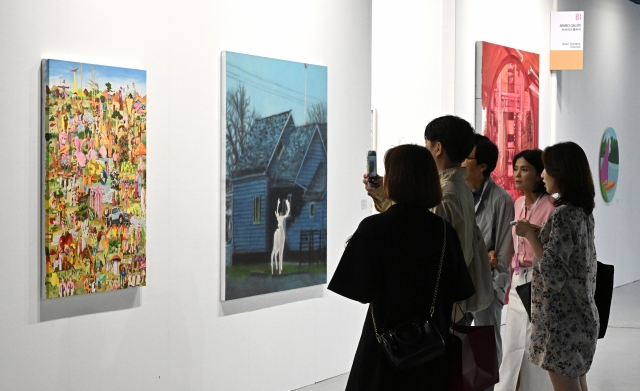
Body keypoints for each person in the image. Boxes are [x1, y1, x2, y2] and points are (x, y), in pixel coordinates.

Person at [330, 144, 475, 390]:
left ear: (392, 181)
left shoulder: (373, 228)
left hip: (383, 351)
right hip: (430, 352)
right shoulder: (443, 231)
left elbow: (358, 290)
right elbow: (460, 290)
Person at [365, 115, 493, 317]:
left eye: (426, 144)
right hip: (449, 300)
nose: (425, 150)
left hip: (433, 305)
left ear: (438, 148)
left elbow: (425, 250)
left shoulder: (443, 196)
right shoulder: (459, 188)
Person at [514, 142, 598, 391]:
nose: (542, 174)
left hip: (560, 322)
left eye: (546, 169)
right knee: (578, 381)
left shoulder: (562, 215)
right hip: (580, 313)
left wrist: (529, 234)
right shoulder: (581, 211)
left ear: (561, 172)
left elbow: (552, 272)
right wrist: (543, 235)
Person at [496, 150, 555, 391]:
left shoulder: (552, 207)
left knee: (535, 345)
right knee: (512, 346)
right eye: (516, 168)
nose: (517, 175)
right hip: (519, 279)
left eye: (525, 169)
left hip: (540, 280)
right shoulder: (517, 203)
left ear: (540, 174)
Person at [462, 134, 514, 379]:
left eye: (467, 157)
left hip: (486, 287)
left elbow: (503, 253)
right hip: (458, 286)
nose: (461, 162)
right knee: (453, 348)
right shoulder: (454, 195)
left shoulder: (501, 200)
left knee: (485, 353)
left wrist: (495, 290)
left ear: (482, 166)